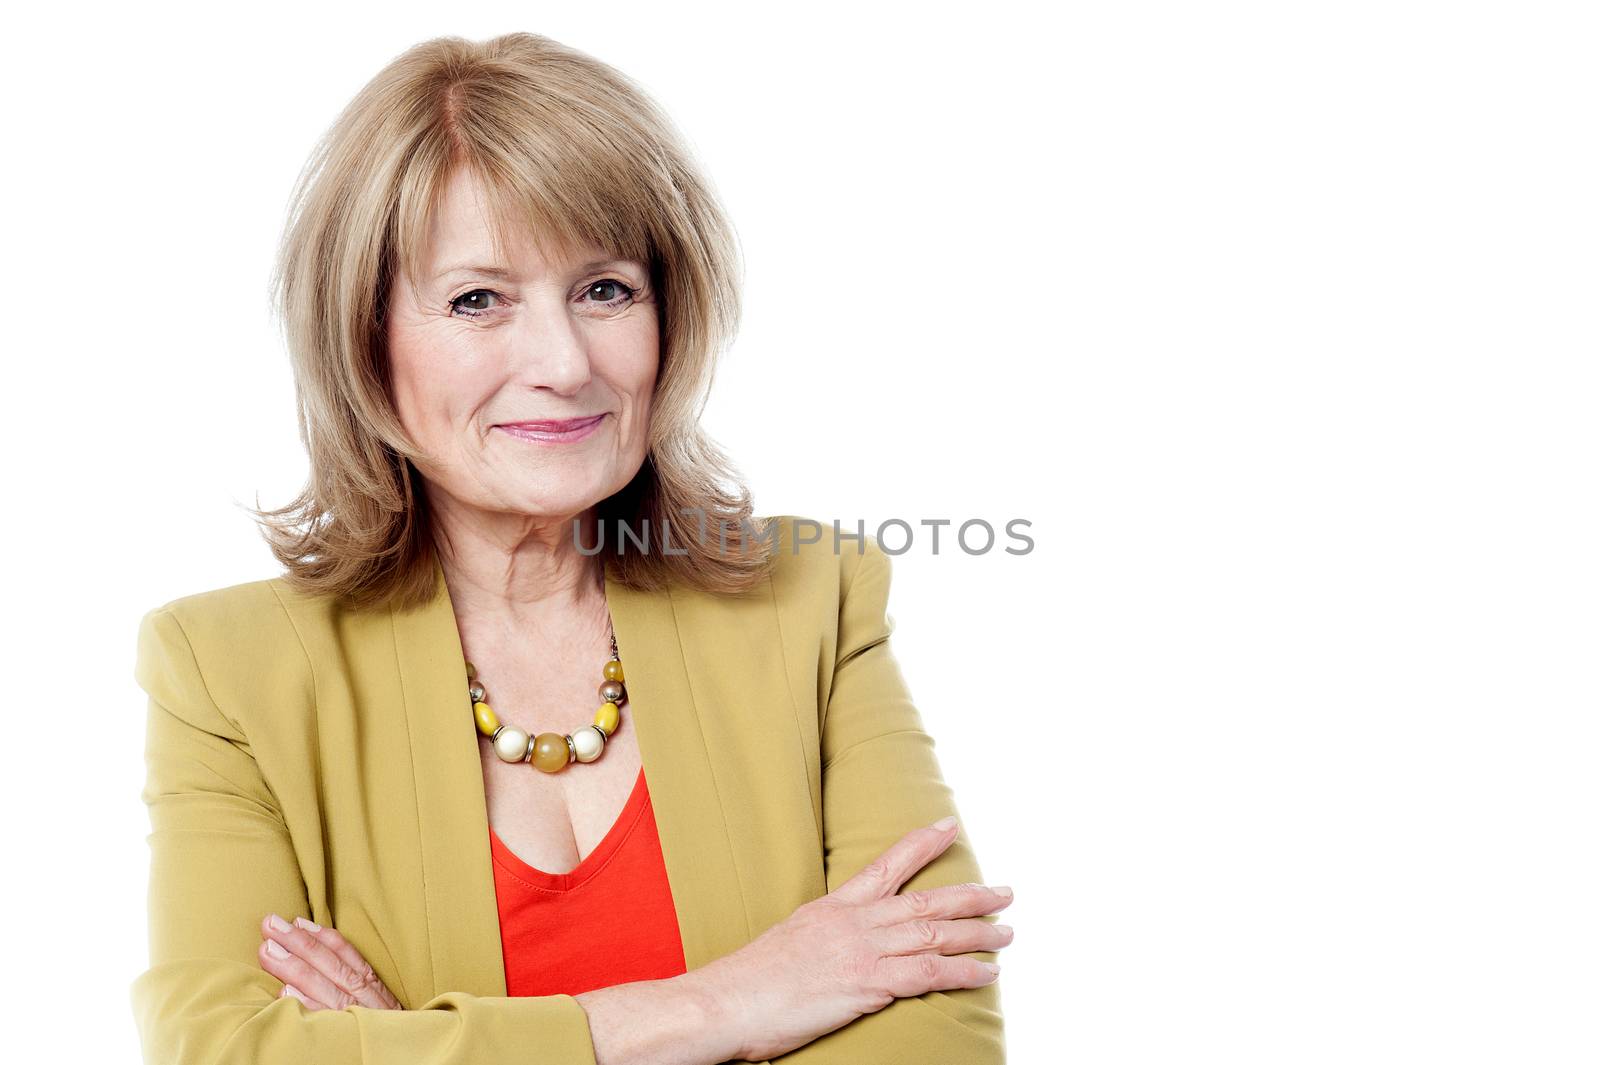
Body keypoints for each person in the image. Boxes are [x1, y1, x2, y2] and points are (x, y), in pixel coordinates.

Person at [131, 31, 1013, 1065]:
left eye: (604, 290)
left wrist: (416, 1043)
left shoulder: (815, 601)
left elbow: (935, 1039)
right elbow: (229, 1054)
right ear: (363, 338)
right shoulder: (228, 672)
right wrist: (729, 1003)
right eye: (476, 300)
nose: (561, 362)